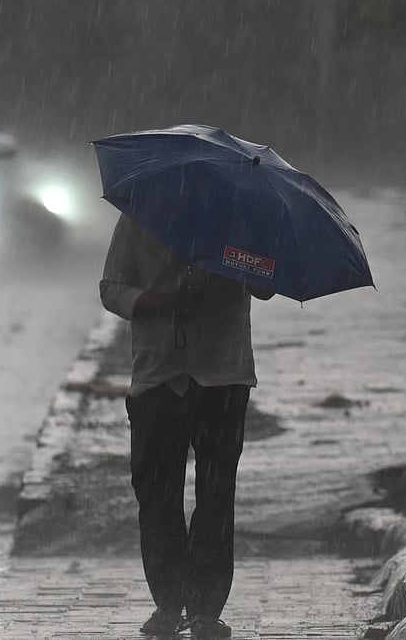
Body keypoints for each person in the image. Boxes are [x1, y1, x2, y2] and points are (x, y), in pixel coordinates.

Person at [99, 214, 274, 640]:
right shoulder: (140, 217)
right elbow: (113, 289)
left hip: (223, 376)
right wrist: (159, 302)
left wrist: (229, 262)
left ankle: (204, 610)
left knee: (215, 498)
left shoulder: (240, 221)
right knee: (156, 495)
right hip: (158, 376)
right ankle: (168, 602)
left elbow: (267, 285)